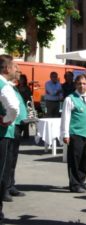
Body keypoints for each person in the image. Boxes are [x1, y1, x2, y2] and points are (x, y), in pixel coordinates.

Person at [60, 74, 86, 193]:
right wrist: (65, 134)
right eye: (79, 84)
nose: (82, 86)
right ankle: (74, 184)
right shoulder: (70, 99)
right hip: (75, 133)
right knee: (75, 160)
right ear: (75, 84)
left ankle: (81, 181)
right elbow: (66, 117)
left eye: (84, 83)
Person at [0, 54, 20, 221]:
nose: (16, 70)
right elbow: (14, 107)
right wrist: (7, 120)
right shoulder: (4, 85)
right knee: (1, 172)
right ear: (6, 68)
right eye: (14, 67)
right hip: (2, 134)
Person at [3, 70, 27, 202]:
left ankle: (10, 184)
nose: (19, 73)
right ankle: (5, 188)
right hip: (11, 126)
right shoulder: (7, 87)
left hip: (18, 126)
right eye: (17, 70)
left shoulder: (14, 88)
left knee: (13, 158)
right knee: (7, 159)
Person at [17, 74, 32, 138]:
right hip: (18, 105)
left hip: (25, 105)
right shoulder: (16, 87)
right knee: (19, 119)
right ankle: (18, 133)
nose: (21, 80)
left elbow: (30, 97)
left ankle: (26, 135)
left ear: (24, 80)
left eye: (22, 79)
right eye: (20, 79)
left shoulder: (27, 88)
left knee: (26, 120)